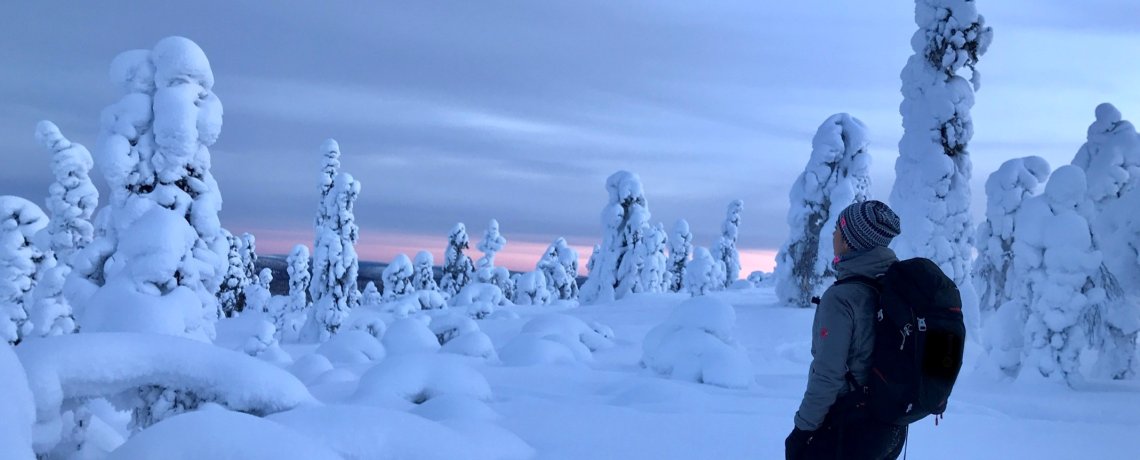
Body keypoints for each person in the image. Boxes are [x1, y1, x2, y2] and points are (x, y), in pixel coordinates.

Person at [785, 200, 907, 460]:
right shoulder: (893, 287)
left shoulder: (842, 298)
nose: (833, 234)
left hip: (848, 429)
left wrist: (802, 430)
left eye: (838, 229)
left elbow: (827, 375)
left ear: (851, 241)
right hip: (890, 428)